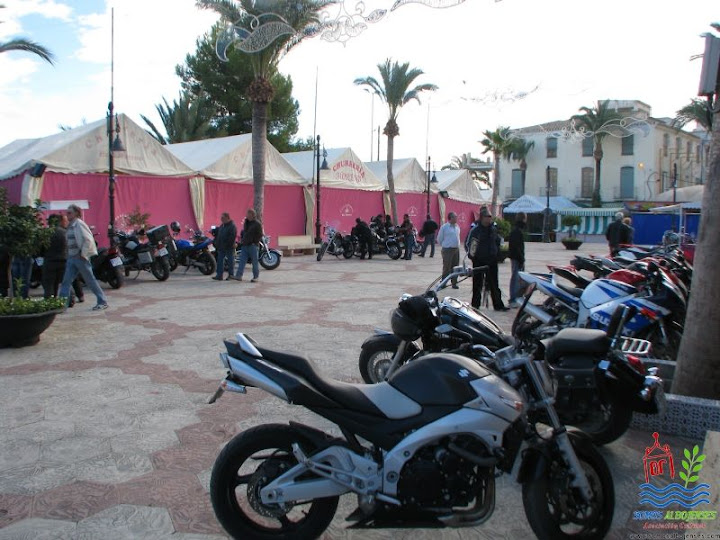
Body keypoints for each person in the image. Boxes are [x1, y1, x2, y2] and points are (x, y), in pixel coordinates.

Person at [58, 204, 108, 310]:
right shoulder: (70, 225)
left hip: (79, 257)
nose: (67, 215)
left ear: (76, 213)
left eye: (69, 213)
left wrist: (83, 254)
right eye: (67, 213)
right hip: (71, 257)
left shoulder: (79, 224)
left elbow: (88, 240)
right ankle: (61, 304)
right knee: (66, 281)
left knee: (90, 280)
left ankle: (102, 301)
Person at [465, 207, 507, 311]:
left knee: (494, 284)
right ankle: (475, 305)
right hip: (479, 261)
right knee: (477, 284)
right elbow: (468, 244)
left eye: (490, 217)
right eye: (487, 217)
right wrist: (473, 256)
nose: (489, 219)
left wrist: (497, 253)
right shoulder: (475, 230)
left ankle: (498, 305)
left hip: (492, 260)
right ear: (482, 217)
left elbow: (497, 242)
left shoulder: (493, 229)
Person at [42, 213, 84, 306]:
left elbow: (41, 249)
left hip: (50, 261)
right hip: (64, 260)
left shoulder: (46, 234)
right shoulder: (66, 232)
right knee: (67, 282)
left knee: (49, 284)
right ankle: (70, 300)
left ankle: (49, 302)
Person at [231, 208, 263, 282]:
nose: (247, 215)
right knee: (242, 261)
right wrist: (242, 241)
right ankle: (239, 276)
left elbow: (260, 234)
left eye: (248, 214)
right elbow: (245, 233)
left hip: (253, 245)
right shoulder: (246, 223)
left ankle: (255, 277)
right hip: (245, 245)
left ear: (252, 215)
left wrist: (254, 241)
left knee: (254, 262)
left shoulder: (257, 224)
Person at [437, 211, 461, 289]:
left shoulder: (457, 227)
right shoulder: (444, 227)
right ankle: (443, 283)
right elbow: (439, 239)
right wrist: (445, 245)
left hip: (456, 249)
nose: (456, 218)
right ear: (450, 218)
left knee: (455, 267)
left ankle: (454, 283)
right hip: (447, 250)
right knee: (447, 267)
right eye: (455, 217)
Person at [508, 212, 527, 306]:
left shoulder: (516, 230)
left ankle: (517, 297)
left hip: (515, 257)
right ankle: (514, 298)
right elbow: (517, 247)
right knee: (516, 278)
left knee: (518, 278)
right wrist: (521, 259)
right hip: (516, 258)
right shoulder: (517, 231)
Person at [212, 212, 237, 281]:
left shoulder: (232, 226)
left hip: (229, 247)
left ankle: (231, 275)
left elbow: (232, 237)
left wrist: (227, 244)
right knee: (220, 261)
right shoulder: (222, 226)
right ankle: (219, 275)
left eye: (223, 218)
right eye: (221, 218)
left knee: (230, 261)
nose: (221, 219)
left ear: (227, 218)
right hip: (221, 246)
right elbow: (219, 235)